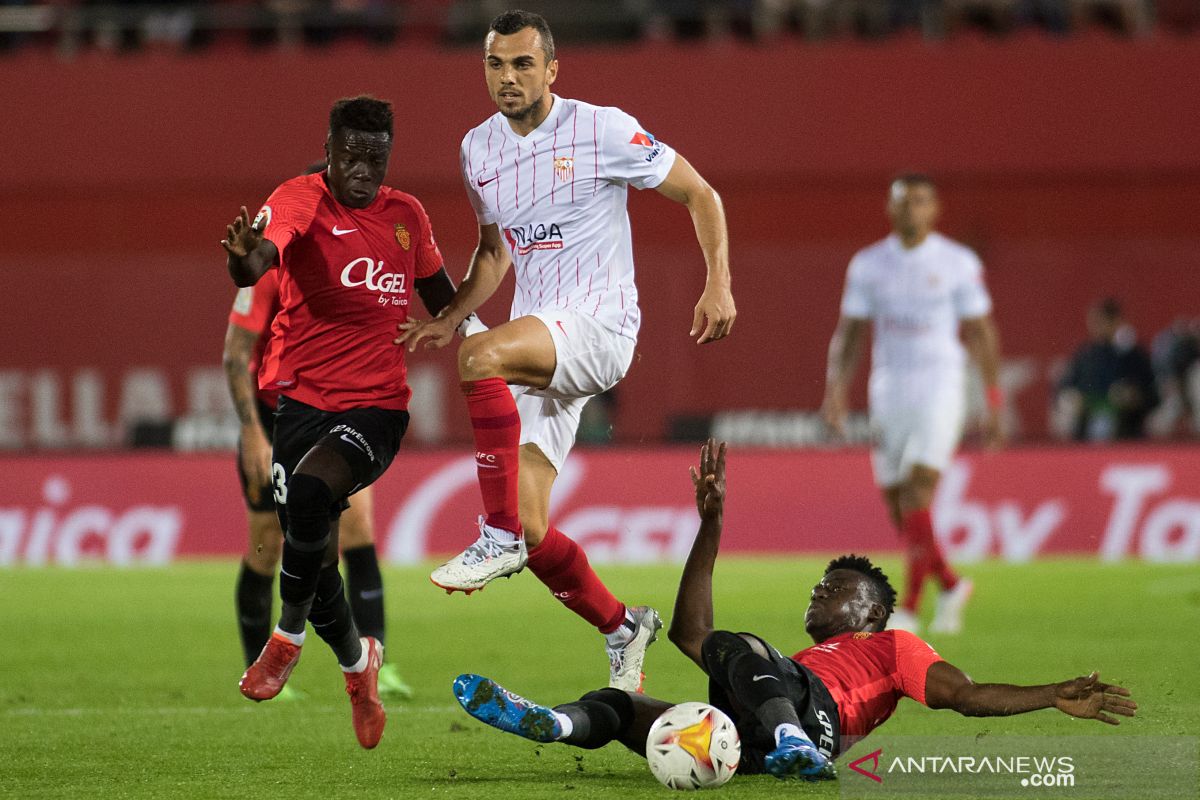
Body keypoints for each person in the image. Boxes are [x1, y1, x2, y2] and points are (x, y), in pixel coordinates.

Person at [451, 440, 1137, 782]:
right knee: (625, 705)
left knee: (742, 645)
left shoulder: (895, 648)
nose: (818, 592)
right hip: (762, 732)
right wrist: (711, 524)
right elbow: (693, 635)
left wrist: (1052, 694)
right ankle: (551, 721)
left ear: (869, 610)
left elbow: (966, 696)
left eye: (833, 587)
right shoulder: (799, 663)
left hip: (816, 724)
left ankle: (792, 742)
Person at [396, 9, 736, 693]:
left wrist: (718, 283)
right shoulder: (478, 149)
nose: (509, 77)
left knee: (477, 360)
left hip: (601, 328)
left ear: (552, 68)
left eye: (524, 64)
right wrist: (457, 312)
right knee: (533, 526)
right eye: (496, 64)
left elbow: (700, 192)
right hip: (538, 336)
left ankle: (492, 537)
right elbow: (495, 252)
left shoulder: (601, 128)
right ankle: (622, 627)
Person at [220, 95, 462, 749]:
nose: (363, 169)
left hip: (376, 409)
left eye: (375, 158)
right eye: (351, 155)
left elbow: (445, 298)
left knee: (311, 495)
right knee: (316, 559)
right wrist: (242, 260)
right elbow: (259, 260)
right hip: (298, 405)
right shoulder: (298, 199)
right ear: (330, 149)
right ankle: (360, 669)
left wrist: (462, 325)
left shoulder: (407, 215)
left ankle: (285, 638)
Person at [822, 174, 1003, 635]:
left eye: (920, 201)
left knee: (916, 491)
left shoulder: (957, 262)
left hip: (941, 384)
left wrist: (993, 397)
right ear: (890, 208)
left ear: (934, 208)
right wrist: (835, 391)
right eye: (903, 202)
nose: (910, 210)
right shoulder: (868, 265)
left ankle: (910, 608)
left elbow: (981, 330)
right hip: (889, 389)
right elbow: (850, 334)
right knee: (899, 508)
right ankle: (951, 583)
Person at [222, 266, 413, 701]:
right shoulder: (266, 273)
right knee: (268, 542)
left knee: (358, 527)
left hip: (340, 414)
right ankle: (261, 662)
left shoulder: (346, 264)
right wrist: (252, 431)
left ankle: (378, 661)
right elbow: (236, 353)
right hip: (275, 420)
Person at [1055, 298, 1159, 441]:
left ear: (1117, 321)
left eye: (1101, 321)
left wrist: (1133, 396)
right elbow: (1064, 388)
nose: (1096, 327)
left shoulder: (1135, 355)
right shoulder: (1085, 355)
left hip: (1126, 429)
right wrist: (1073, 398)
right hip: (1085, 428)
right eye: (1093, 322)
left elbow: (1153, 394)